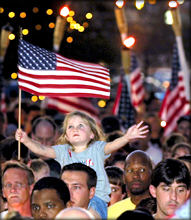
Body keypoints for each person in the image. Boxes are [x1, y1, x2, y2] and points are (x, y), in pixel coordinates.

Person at [15, 110, 149, 219]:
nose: (75, 129)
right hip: (68, 198)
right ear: (66, 135)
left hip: (96, 198)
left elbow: (112, 145)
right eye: (71, 126)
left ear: (91, 134)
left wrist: (127, 137)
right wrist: (26, 141)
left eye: (81, 126)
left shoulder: (97, 148)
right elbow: (42, 149)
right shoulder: (63, 151)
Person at [108, 150, 153, 219]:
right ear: (124, 177)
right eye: (130, 170)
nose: (135, 176)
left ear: (151, 173)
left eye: (142, 170)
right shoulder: (110, 212)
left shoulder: (163, 209)